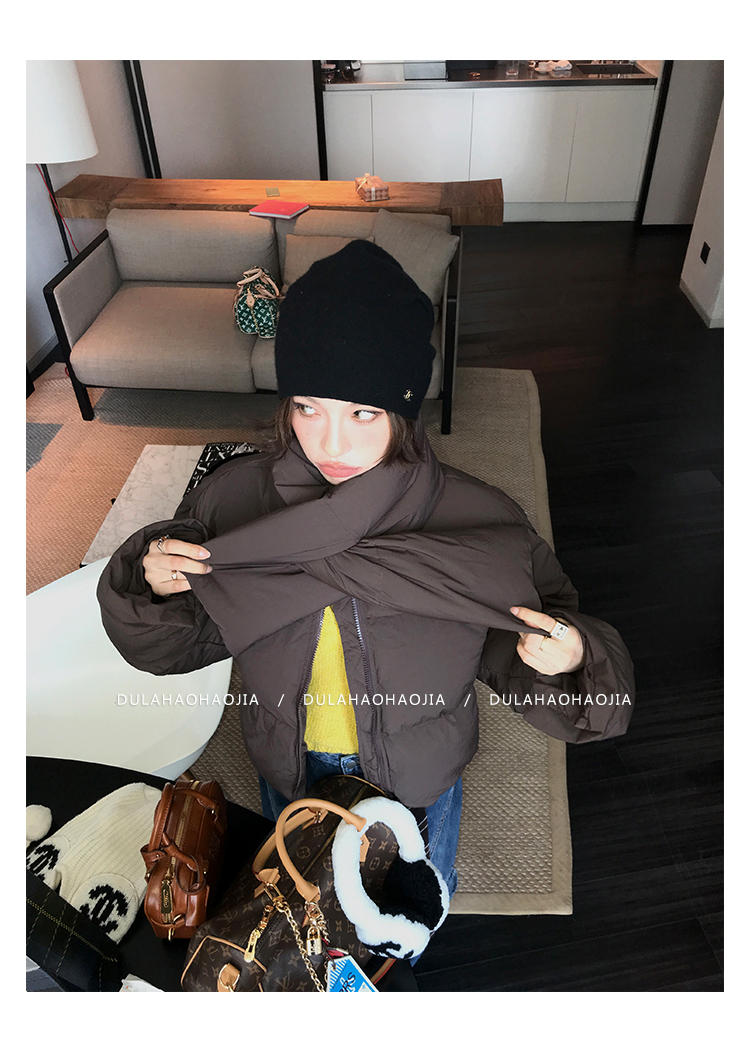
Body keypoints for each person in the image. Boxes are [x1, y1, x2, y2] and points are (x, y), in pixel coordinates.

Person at [97, 239, 635, 908]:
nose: (331, 442)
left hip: (417, 775)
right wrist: (152, 586)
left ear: (402, 409)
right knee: (301, 910)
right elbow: (178, 642)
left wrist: (572, 657)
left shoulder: (480, 522)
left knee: (409, 912)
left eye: (362, 412)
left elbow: (530, 641)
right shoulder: (234, 502)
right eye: (308, 407)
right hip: (289, 763)